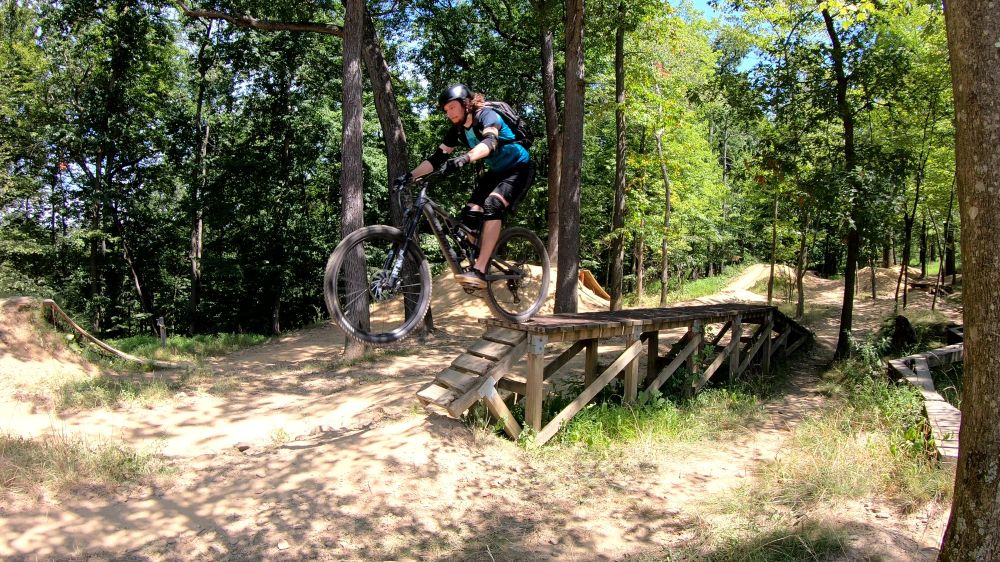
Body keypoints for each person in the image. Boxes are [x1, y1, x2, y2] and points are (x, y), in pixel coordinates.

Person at [396, 84, 535, 289]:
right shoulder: (458, 130)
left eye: (452, 107)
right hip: (496, 172)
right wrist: (409, 176)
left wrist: (465, 158)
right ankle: (479, 255)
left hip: (519, 168)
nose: (449, 113)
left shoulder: (486, 115)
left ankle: (479, 270)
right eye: (445, 110)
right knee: (469, 216)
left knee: (492, 205)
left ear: (466, 104)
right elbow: (436, 159)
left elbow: (490, 142)